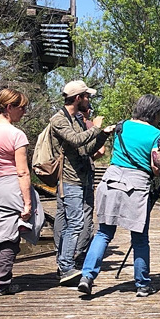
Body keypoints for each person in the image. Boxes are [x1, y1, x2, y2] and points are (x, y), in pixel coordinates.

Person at [77, 94, 160, 298]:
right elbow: (154, 166)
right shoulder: (156, 134)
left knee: (103, 233)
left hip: (111, 180)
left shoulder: (121, 126)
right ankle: (142, 284)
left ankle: (87, 277)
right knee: (140, 238)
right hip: (136, 185)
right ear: (154, 113)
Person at [0, 88, 45, 296]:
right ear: (9, 107)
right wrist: (28, 204)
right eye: (22, 108)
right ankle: (2, 283)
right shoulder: (16, 135)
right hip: (12, 185)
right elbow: (22, 172)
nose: (24, 112)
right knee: (12, 235)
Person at [50, 80, 114, 285]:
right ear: (78, 98)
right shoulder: (58, 119)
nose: (89, 100)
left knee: (77, 221)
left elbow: (85, 150)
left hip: (83, 178)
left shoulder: (76, 119)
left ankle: (66, 264)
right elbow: (76, 140)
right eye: (87, 96)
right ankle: (66, 266)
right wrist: (96, 128)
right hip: (69, 179)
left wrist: (103, 135)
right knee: (76, 222)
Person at [52, 104, 106, 268]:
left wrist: (103, 134)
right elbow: (99, 151)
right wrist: (97, 128)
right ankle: (73, 258)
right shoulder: (86, 124)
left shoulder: (69, 122)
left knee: (62, 215)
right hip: (76, 177)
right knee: (80, 218)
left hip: (63, 177)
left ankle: (61, 253)